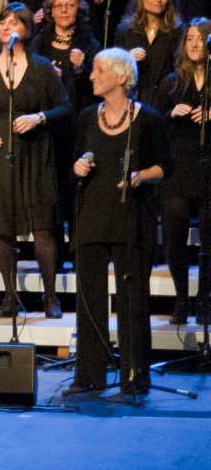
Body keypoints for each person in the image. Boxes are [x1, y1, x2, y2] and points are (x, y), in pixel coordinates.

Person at [0, 3, 72, 318]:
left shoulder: (41, 68)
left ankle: (50, 296)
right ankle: (10, 296)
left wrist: (39, 117)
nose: (6, 26)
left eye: (14, 22)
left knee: (43, 227)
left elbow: (65, 107)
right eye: (2, 22)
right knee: (2, 228)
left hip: (36, 155)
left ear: (27, 29)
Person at [71, 48, 167, 394]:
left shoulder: (149, 119)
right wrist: (78, 166)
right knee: (89, 300)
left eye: (99, 71)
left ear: (120, 76)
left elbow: (163, 166)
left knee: (132, 297)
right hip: (93, 214)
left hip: (130, 217)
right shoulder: (85, 117)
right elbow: (74, 159)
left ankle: (134, 373)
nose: (93, 76)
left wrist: (141, 176)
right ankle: (89, 375)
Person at [154, 18, 209, 325]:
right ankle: (182, 300)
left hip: (208, 166)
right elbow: (153, 124)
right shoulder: (172, 82)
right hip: (179, 167)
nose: (195, 44)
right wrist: (170, 114)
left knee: (209, 239)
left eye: (201, 38)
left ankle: (204, 300)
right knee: (174, 239)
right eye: (190, 38)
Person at [117, 0, 183, 101]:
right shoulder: (125, 30)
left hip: (165, 100)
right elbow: (114, 70)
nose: (159, 0)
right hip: (133, 99)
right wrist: (128, 59)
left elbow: (180, 69)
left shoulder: (177, 31)